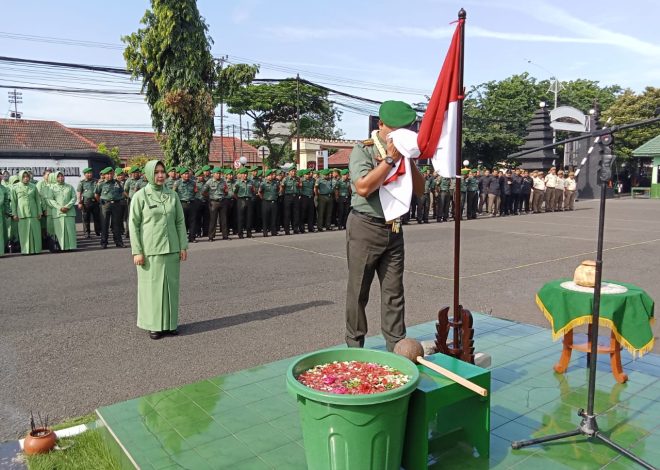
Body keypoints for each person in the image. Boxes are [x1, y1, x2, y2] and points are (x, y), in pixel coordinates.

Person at [345, 100, 424, 352]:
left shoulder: (405, 156)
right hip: (366, 226)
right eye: (394, 130)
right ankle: (355, 346)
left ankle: (396, 346)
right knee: (359, 291)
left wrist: (407, 160)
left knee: (394, 292)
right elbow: (363, 187)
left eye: (405, 131)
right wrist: (389, 160)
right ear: (380, 125)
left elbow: (420, 191)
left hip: (394, 228)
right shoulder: (364, 150)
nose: (399, 136)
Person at [129, 160, 188, 340]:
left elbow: (179, 221)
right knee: (152, 290)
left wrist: (183, 246)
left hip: (171, 248)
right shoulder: (140, 196)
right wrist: (137, 251)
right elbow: (133, 225)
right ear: (148, 174)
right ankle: (154, 325)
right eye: (156, 172)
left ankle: (170, 324)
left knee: (171, 287)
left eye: (163, 171)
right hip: (150, 250)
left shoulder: (172, 195)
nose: (160, 175)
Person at [10, 169, 42, 254]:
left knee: (36, 232)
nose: (26, 178)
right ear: (20, 177)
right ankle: (26, 250)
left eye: (27, 176)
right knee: (24, 233)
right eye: (24, 177)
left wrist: (39, 212)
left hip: (34, 213)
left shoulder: (33, 186)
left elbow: (37, 200)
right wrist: (14, 214)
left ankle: (37, 249)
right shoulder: (15, 187)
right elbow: (13, 202)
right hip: (22, 214)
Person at [45, 171, 77, 251]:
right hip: (58, 212)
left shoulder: (69, 187)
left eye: (62, 176)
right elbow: (50, 200)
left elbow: (74, 197)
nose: (61, 178)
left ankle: (71, 247)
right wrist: (60, 207)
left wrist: (67, 206)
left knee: (70, 230)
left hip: (69, 212)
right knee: (60, 231)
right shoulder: (52, 188)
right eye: (58, 176)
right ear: (55, 178)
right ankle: (62, 247)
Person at [95, 167, 125, 249]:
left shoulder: (117, 183)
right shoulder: (101, 183)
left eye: (111, 174)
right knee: (104, 224)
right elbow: (96, 194)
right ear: (104, 175)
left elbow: (122, 192)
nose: (109, 175)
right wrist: (102, 202)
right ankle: (104, 242)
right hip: (105, 205)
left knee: (116, 224)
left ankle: (119, 242)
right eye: (107, 174)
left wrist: (118, 198)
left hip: (116, 205)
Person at [77, 168, 101, 238]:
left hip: (95, 201)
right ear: (85, 174)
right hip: (86, 202)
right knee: (86, 218)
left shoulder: (96, 181)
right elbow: (79, 193)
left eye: (90, 173)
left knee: (97, 217)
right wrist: (79, 202)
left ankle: (98, 231)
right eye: (88, 173)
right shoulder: (82, 182)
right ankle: (87, 233)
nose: (89, 174)